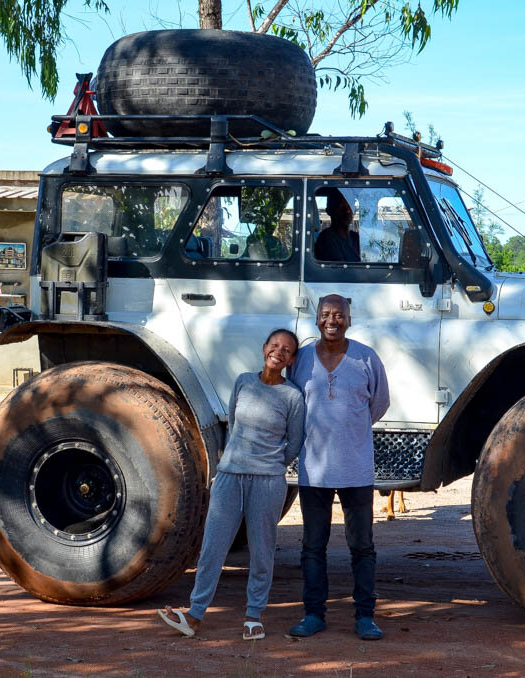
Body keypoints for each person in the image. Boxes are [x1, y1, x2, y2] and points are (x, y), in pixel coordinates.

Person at [158, 328, 305, 641]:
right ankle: (195, 615)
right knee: (213, 545)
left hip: (267, 481)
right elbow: (234, 424)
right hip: (229, 476)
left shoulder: (293, 396)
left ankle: (254, 616)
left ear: (292, 359)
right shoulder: (243, 382)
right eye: (275, 345)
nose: (279, 352)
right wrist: (234, 462)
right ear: (264, 348)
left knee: (262, 549)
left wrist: (274, 464)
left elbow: (295, 442)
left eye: (287, 350)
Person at [288, 294, 390, 641]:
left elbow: (379, 403)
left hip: (356, 469)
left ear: (349, 318)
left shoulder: (366, 357)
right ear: (316, 319)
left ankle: (365, 617)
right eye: (325, 314)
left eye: (339, 315)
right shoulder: (300, 359)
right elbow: (293, 405)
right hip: (313, 470)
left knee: (362, 546)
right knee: (313, 546)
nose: (332, 320)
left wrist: (350, 430)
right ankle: (314, 614)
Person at [314, 189, 361, 262]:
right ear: (329, 211)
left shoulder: (355, 237)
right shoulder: (326, 238)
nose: (347, 210)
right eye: (341, 205)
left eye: (350, 205)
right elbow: (340, 269)